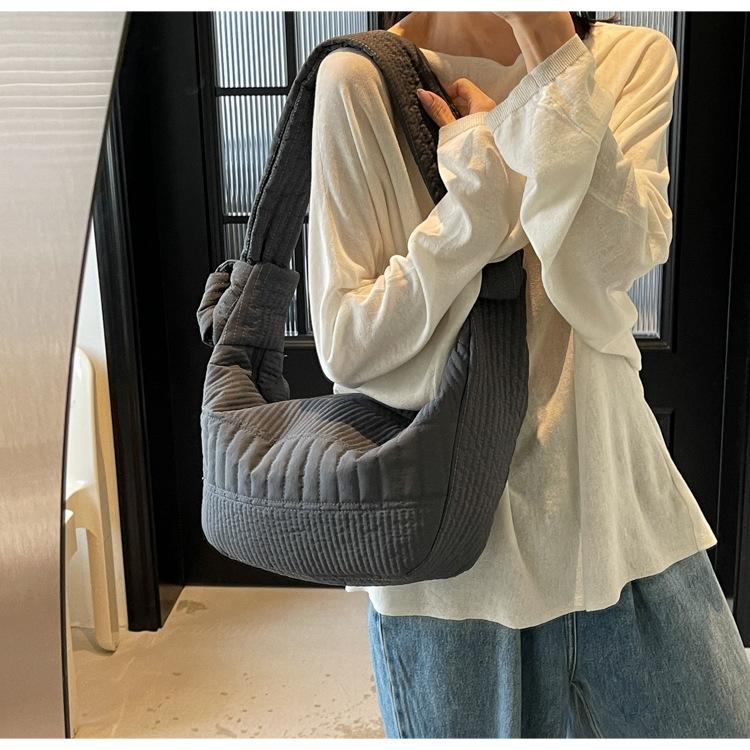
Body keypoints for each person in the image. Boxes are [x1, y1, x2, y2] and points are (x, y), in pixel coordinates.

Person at [306, 10, 750, 738]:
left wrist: (552, 60)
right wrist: (478, 208)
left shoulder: (628, 59)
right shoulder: (360, 78)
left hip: (618, 517)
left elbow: (616, 258)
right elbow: (348, 343)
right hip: (451, 566)